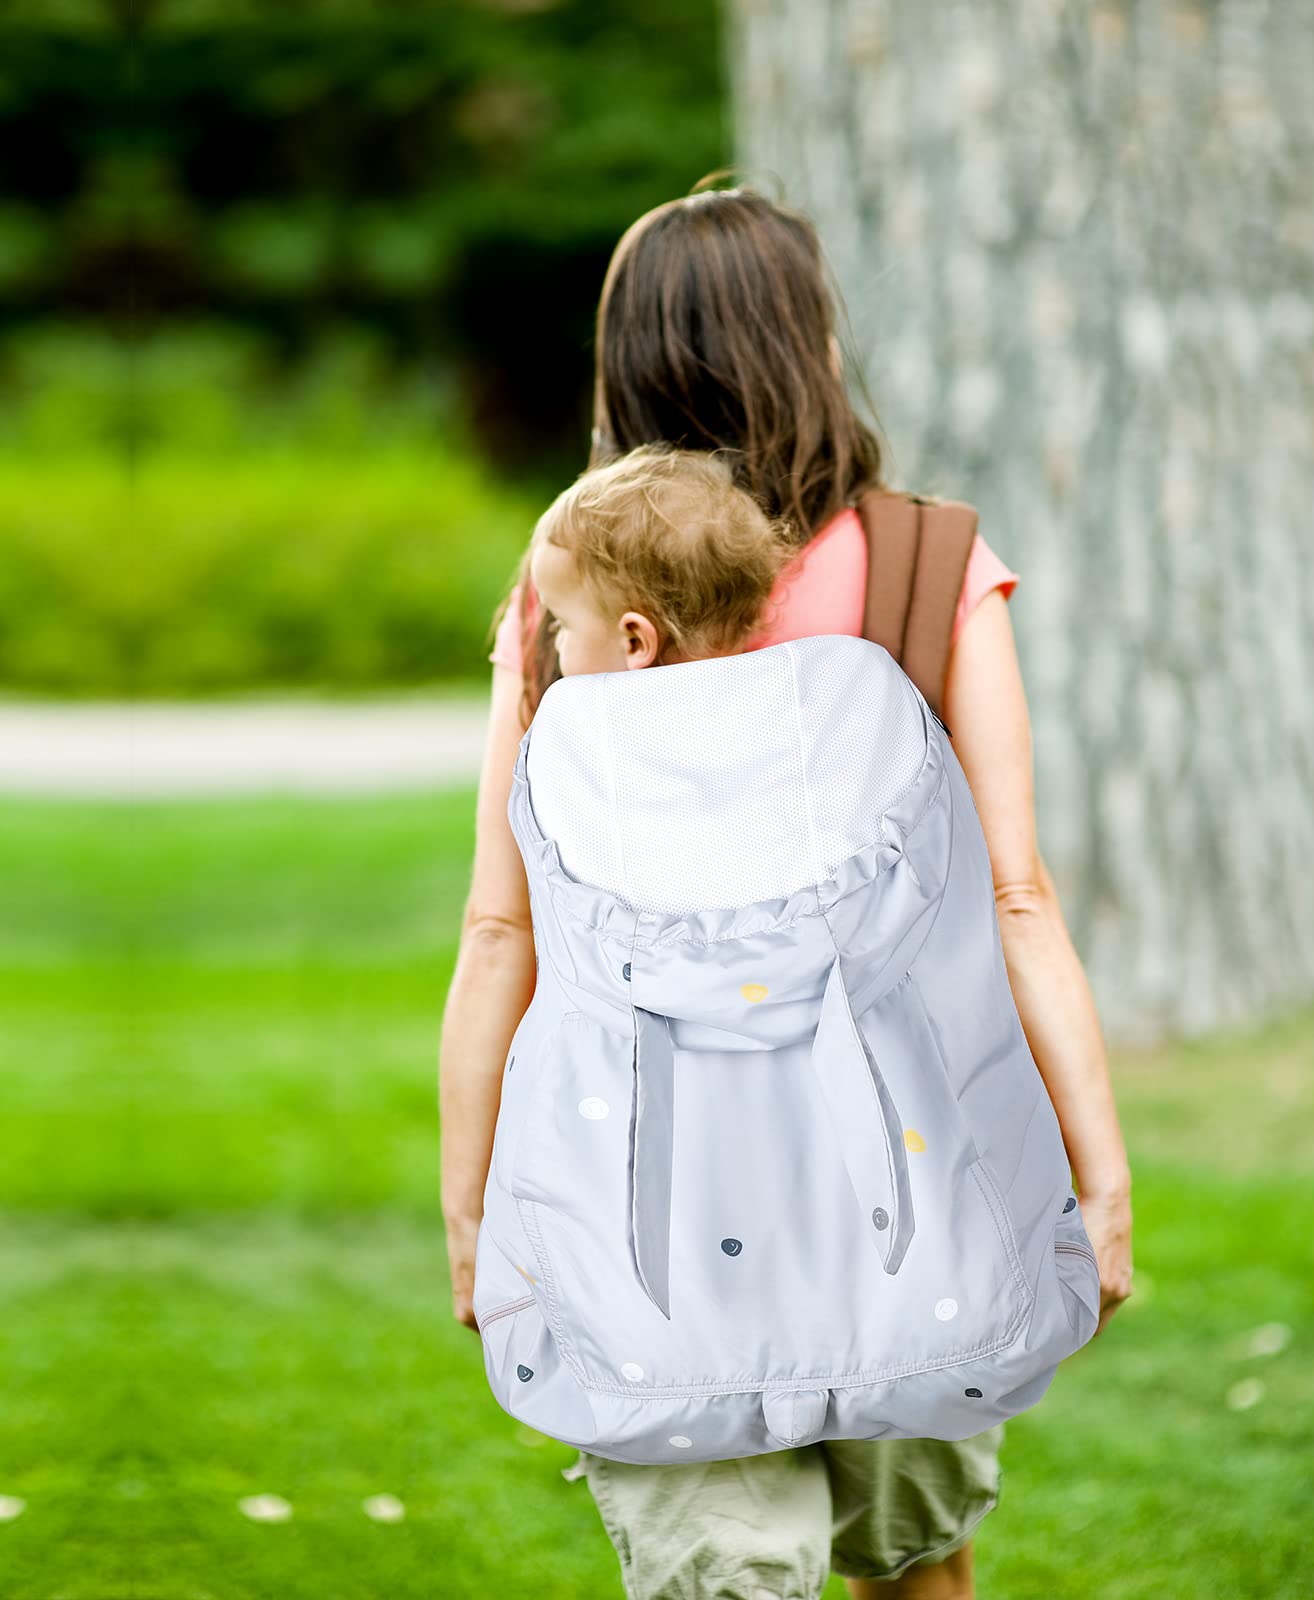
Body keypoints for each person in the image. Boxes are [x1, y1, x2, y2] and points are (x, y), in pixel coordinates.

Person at [440, 181, 1134, 1600]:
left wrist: (474, 1214)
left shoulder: (564, 589)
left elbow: (502, 924)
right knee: (918, 1563)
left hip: (653, 1185)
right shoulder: (932, 563)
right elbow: (1015, 897)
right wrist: (1097, 1178)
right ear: (810, 343)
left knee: (717, 1579)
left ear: (623, 360)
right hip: (915, 1163)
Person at [518, 442, 791, 679]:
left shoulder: (600, 732)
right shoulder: (770, 711)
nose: (554, 642)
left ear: (635, 641)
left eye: (563, 623)